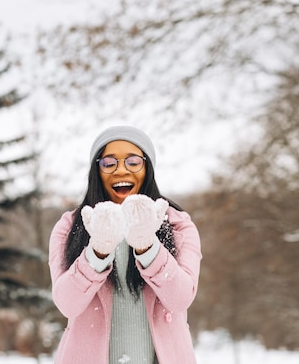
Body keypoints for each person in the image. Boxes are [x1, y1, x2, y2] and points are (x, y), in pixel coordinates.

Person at [48, 125, 202, 364]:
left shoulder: (177, 225)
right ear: (96, 170)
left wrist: (147, 246)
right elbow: (67, 304)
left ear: (147, 168)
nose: (121, 170)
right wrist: (98, 251)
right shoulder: (71, 227)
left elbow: (180, 298)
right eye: (109, 163)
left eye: (133, 162)